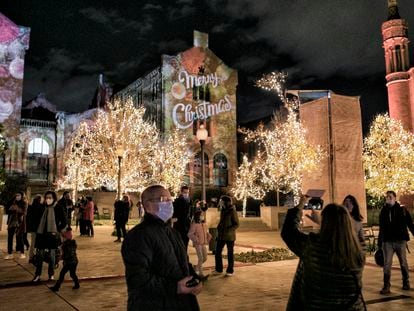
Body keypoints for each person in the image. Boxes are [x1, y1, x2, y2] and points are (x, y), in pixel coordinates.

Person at [122, 185, 202, 310]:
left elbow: (183, 263)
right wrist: (175, 287)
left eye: (170, 200)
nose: (169, 204)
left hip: (180, 303)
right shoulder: (139, 236)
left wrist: (195, 279)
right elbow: (137, 278)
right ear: (148, 206)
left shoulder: (172, 232)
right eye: (163, 199)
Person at [281, 196, 366, 310]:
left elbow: (288, 232)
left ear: (325, 222)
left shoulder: (312, 247)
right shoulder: (357, 252)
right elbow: (338, 235)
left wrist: (301, 205)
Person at [378, 190, 414, 294]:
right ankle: (386, 286)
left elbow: (410, 224)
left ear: (395, 198)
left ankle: (406, 282)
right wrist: (380, 243)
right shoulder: (383, 211)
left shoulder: (402, 210)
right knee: (387, 264)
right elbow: (382, 227)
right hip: (387, 242)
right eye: (387, 197)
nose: (388, 198)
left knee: (403, 263)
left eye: (390, 197)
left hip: (400, 241)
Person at [33, 191, 67, 282]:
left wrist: (57, 230)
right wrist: (36, 229)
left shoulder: (58, 208)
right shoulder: (41, 207)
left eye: (50, 197)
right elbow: (35, 219)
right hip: (41, 234)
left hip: (52, 235)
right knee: (39, 255)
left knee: (52, 256)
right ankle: (37, 275)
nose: (48, 199)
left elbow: (64, 222)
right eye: (47, 197)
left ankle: (51, 274)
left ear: (54, 198)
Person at [213, 195, 239, 276]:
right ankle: (218, 269)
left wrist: (228, 229)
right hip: (221, 235)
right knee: (217, 252)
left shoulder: (232, 211)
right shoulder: (223, 210)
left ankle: (230, 271)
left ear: (225, 202)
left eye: (221, 201)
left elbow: (236, 224)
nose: (220, 202)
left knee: (230, 254)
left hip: (229, 236)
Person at [4, 192, 28, 260]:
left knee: (20, 238)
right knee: (10, 238)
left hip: (20, 222)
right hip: (12, 222)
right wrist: (14, 209)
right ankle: (10, 253)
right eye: (16, 195)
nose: (17, 197)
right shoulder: (12, 202)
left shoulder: (24, 203)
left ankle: (22, 253)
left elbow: (24, 212)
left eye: (19, 195)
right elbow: (8, 210)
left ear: (21, 196)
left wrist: (15, 209)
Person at [188, 210, 211, 278]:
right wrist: (196, 239)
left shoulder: (204, 224)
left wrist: (208, 236)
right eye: (201, 215)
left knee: (205, 258)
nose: (202, 216)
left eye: (203, 215)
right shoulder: (194, 225)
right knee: (200, 258)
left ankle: (196, 267)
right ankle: (201, 274)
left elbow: (205, 233)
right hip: (198, 244)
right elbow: (190, 234)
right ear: (198, 216)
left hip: (203, 243)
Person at [26, 194, 44, 263]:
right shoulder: (42, 207)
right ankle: (38, 256)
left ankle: (31, 257)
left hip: (33, 228)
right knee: (39, 243)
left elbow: (28, 218)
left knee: (33, 243)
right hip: (40, 227)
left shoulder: (30, 207)